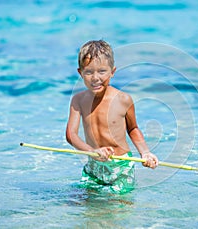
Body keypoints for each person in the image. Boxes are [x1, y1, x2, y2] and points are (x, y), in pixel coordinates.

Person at [66, 40, 158, 194]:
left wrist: (145, 152)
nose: (95, 77)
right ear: (80, 72)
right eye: (89, 72)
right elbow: (71, 135)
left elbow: (133, 128)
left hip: (121, 166)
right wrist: (92, 151)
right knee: (90, 209)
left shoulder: (123, 99)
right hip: (94, 164)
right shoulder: (78, 100)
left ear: (112, 71)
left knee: (118, 208)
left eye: (102, 71)